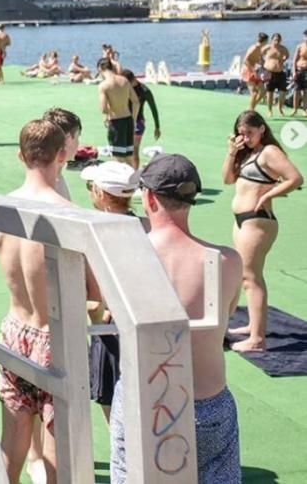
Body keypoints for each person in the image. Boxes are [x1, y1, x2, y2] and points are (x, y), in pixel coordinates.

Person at [111, 154, 244, 484]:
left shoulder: (123, 257)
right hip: (208, 403)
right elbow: (223, 321)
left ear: (149, 197)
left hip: (143, 402)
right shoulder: (227, 261)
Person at [0, 119, 100, 484]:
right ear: (61, 155)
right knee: (58, 455)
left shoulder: (2, 208)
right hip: (55, 337)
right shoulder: (69, 214)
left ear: (20, 156)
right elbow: (95, 291)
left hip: (14, 330)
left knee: (12, 446)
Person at [222, 110, 303, 352]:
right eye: (241, 133)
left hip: (258, 221)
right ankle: (252, 326)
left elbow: (296, 178)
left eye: (249, 133)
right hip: (242, 221)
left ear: (261, 130)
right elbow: (227, 179)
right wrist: (231, 152)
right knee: (243, 275)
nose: (245, 138)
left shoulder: (269, 152)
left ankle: (257, 339)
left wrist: (268, 194)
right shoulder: (247, 153)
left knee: (251, 278)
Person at [80, 161, 140, 422]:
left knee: (114, 407)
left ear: (101, 194)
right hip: (144, 325)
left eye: (91, 187)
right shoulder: (144, 227)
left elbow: (95, 304)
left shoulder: (95, 233)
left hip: (109, 327)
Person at [97, 58, 139, 166]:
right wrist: (133, 118)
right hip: (128, 120)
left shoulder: (104, 86)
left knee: (118, 159)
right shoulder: (124, 81)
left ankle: (122, 182)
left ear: (100, 69)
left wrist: (107, 114)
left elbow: (103, 109)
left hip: (116, 123)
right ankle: (133, 182)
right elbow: (136, 102)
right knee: (129, 157)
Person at [121, 69, 161, 170]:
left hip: (138, 122)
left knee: (134, 149)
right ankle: (125, 172)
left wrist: (157, 127)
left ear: (133, 79)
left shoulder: (144, 90)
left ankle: (134, 173)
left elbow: (153, 108)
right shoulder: (123, 88)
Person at [42, 107, 81, 200]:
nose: (78, 143)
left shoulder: (53, 175)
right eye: (77, 137)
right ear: (67, 140)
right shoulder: (54, 184)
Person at [261, 32, 289, 116]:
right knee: (270, 92)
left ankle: (280, 108)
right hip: (269, 72)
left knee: (283, 92)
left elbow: (287, 55)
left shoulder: (283, 48)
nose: (277, 41)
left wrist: (283, 60)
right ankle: (269, 110)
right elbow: (259, 55)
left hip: (280, 72)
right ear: (272, 40)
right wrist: (264, 63)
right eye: (275, 39)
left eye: (279, 40)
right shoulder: (267, 48)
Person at [241, 32, 268, 110]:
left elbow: (258, 58)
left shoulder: (260, 48)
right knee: (254, 93)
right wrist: (253, 71)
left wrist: (264, 66)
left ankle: (251, 107)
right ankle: (250, 109)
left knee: (263, 91)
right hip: (248, 70)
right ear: (265, 41)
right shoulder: (254, 48)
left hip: (254, 70)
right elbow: (245, 60)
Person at [290, 29, 307, 116]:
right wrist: (294, 72)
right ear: (304, 37)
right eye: (306, 36)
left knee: (305, 91)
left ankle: (305, 109)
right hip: (300, 70)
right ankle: (295, 109)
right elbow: (294, 60)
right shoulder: (300, 46)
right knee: (297, 90)